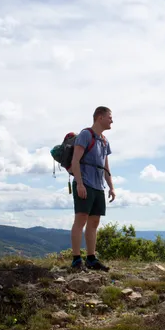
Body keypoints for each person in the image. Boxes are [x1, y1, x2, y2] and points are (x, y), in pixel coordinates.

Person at [69, 106, 115, 271]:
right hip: (85, 183)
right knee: (80, 220)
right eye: (110, 117)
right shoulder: (85, 135)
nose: (112, 120)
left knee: (94, 222)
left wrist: (111, 187)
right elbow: (75, 161)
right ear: (100, 117)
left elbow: (105, 168)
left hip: (98, 187)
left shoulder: (104, 141)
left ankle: (91, 258)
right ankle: (76, 259)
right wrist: (80, 184)